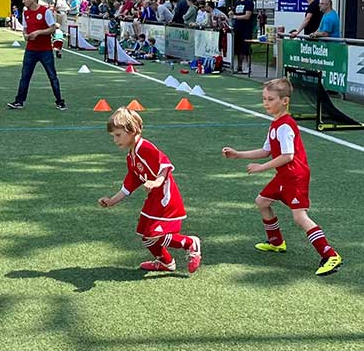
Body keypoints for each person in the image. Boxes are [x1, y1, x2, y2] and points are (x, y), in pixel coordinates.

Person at [221, 78, 342, 276]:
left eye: (271, 99)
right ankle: (277, 242)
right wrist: (238, 154)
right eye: (264, 99)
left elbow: (287, 156)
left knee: (300, 217)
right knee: (261, 202)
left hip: (295, 176)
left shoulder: (286, 126)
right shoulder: (275, 124)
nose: (266, 103)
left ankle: (330, 255)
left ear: (284, 101)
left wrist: (261, 168)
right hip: (284, 175)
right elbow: (266, 150)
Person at [98, 107, 201, 274]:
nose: (115, 140)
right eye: (113, 136)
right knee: (147, 235)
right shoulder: (131, 156)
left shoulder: (144, 147)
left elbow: (165, 164)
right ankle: (165, 262)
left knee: (154, 234)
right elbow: (129, 185)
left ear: (132, 130)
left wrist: (157, 181)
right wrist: (111, 201)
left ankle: (190, 243)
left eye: (118, 135)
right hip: (154, 198)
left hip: (166, 198)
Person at [7, 0, 66, 110]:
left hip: (45, 50)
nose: (23, 1)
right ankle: (19, 101)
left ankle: (60, 101)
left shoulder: (45, 12)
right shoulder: (26, 13)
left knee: (52, 76)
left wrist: (39, 32)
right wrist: (25, 35)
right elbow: (25, 28)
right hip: (31, 50)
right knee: (25, 76)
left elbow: (53, 28)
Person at [232, 0, 256, 74]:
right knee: (238, 48)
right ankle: (239, 66)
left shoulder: (249, 2)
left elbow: (247, 16)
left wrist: (236, 17)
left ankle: (248, 66)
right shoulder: (237, 2)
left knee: (246, 48)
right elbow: (234, 13)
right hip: (237, 27)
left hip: (246, 28)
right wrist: (232, 14)